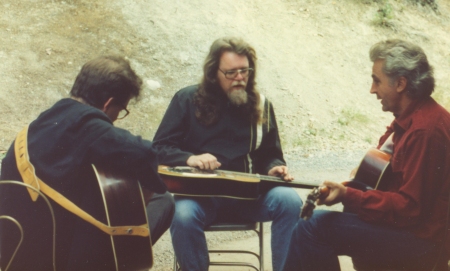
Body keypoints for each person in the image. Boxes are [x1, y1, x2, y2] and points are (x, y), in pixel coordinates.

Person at [283, 39, 450, 271]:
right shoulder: (408, 119)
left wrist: (349, 196)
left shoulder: (425, 130)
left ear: (400, 83)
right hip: (406, 231)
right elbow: (381, 172)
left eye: (377, 80)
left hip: (420, 242)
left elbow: (410, 209)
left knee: (314, 228)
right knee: (320, 224)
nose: (372, 89)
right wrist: (353, 186)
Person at [0, 56, 174, 271]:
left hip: (14, 252)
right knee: (163, 200)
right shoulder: (90, 127)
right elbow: (145, 153)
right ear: (108, 104)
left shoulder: (40, 123)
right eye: (120, 111)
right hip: (63, 257)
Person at [153, 37, 302, 271]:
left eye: (245, 71)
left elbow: (272, 154)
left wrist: (274, 167)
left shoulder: (262, 105)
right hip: (200, 198)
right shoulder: (187, 99)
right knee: (181, 214)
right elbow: (159, 148)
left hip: (249, 198)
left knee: (290, 200)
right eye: (231, 73)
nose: (240, 78)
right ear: (214, 73)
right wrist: (190, 158)